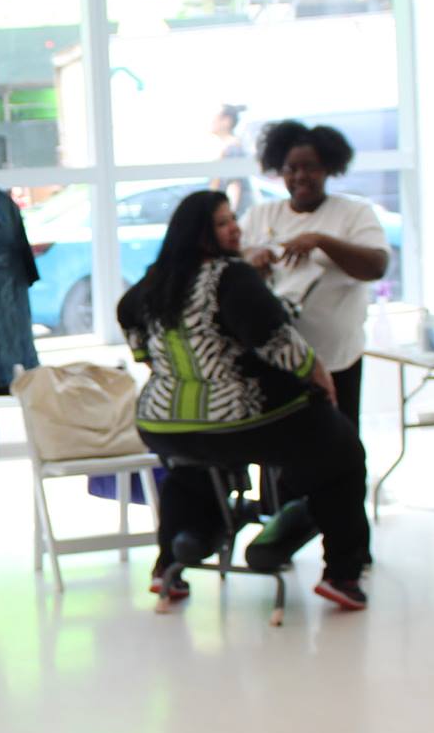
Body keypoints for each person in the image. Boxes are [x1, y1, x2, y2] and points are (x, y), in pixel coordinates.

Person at [121, 189, 371, 610]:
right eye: (222, 223)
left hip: (164, 424)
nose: (235, 229)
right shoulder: (230, 276)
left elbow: (127, 316)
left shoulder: (155, 280)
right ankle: (341, 573)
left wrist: (151, 361)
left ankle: (170, 564)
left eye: (233, 219)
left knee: (189, 468)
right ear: (200, 233)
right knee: (341, 452)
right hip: (241, 420)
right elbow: (274, 338)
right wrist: (317, 373)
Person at [237, 121, 388, 569]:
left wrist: (321, 240)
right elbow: (230, 270)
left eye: (310, 168)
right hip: (280, 363)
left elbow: (376, 265)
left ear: (329, 168)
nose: (300, 177)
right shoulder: (262, 216)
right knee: (283, 456)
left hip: (337, 359)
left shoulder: (353, 214)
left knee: (341, 456)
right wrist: (251, 259)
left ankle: (348, 549)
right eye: (291, 169)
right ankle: (280, 541)